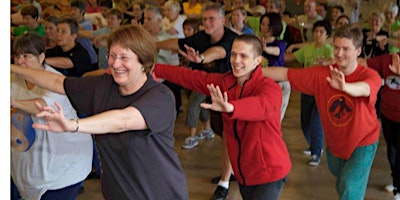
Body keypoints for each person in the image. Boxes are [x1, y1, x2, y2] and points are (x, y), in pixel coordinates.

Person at [10, 25, 189, 200]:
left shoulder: (160, 97)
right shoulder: (104, 85)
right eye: (112, 55)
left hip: (159, 193)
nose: (115, 63)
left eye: (124, 57)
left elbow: (123, 120)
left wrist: (74, 125)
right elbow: (58, 82)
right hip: (117, 193)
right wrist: (10, 68)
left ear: (143, 61)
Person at [153, 34, 292, 200]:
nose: (236, 60)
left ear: (257, 61)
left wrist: (232, 107)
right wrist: (156, 69)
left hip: (270, 173)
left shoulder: (269, 88)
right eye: (233, 54)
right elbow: (193, 78)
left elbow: (262, 106)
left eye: (243, 56)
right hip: (244, 174)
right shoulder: (226, 83)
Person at [262, 24, 382, 200]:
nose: (339, 54)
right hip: (335, 143)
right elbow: (286, 73)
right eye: (337, 48)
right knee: (342, 180)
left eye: (346, 49)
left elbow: (365, 89)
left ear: (357, 51)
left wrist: (345, 87)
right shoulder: (321, 74)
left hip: (364, 141)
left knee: (349, 186)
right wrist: (254, 71)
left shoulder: (369, 75)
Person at [156, 3, 238, 199]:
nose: (207, 23)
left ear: (222, 21)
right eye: (204, 19)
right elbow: (178, 43)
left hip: (232, 96)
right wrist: (153, 45)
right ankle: (232, 170)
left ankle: (224, 183)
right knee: (223, 133)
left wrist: (201, 58)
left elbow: (220, 51)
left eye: (211, 19)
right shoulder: (202, 37)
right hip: (212, 92)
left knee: (228, 135)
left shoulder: (231, 39)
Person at [10, 33, 93, 200]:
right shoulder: (14, 78)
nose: (20, 61)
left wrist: (14, 103)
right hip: (31, 162)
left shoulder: (56, 79)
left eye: (26, 56)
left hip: (65, 164)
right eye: (17, 55)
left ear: (41, 57)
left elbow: (42, 106)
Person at [285, 20, 334, 166]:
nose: (317, 35)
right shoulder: (308, 48)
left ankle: (316, 153)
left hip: (322, 90)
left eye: (321, 32)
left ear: (327, 35)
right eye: (316, 31)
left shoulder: (328, 49)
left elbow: (333, 59)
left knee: (316, 121)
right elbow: (291, 58)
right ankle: (314, 144)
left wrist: (325, 63)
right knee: (304, 121)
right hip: (306, 89)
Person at [358, 53, 400, 199]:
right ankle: (396, 181)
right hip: (389, 114)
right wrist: (345, 57)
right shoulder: (388, 59)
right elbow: (364, 63)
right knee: (392, 150)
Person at [259, 12, 290, 121]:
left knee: (275, 119)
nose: (265, 27)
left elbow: (277, 51)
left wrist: (266, 49)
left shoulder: (280, 43)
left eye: (268, 25)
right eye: (263, 24)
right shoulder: (257, 42)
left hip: (279, 84)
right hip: (263, 84)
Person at [70, 0, 99, 68]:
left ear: (82, 11)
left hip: (90, 58)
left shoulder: (87, 24)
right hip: (79, 57)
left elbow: (77, 29)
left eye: (75, 9)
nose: (72, 11)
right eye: (71, 9)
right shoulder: (73, 23)